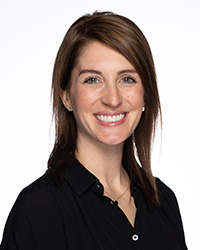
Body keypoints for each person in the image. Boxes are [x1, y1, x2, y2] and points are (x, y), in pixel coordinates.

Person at [0, 11, 187, 250]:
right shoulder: (39, 209)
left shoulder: (164, 200)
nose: (113, 98)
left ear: (146, 94)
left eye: (127, 79)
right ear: (66, 96)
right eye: (92, 80)